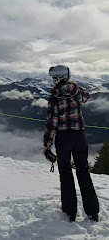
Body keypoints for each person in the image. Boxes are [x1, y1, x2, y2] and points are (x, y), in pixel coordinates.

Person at [43, 65, 99, 222]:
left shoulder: (55, 97)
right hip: (80, 136)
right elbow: (86, 97)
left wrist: (46, 144)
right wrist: (75, 87)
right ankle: (92, 211)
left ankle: (70, 211)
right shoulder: (77, 91)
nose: (52, 81)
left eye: (53, 78)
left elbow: (51, 123)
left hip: (63, 137)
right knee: (83, 171)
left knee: (66, 172)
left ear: (57, 78)